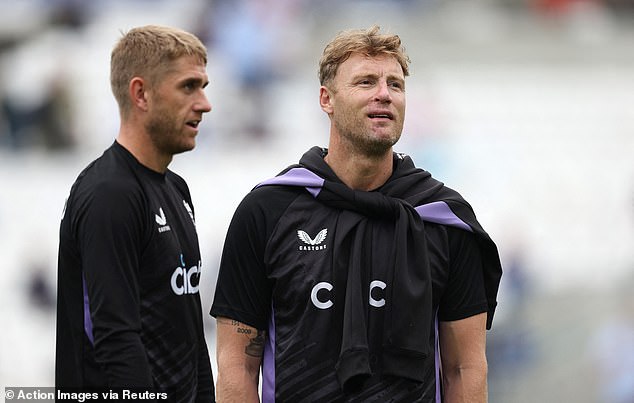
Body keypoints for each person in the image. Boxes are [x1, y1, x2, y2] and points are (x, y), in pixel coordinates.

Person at [210, 25, 502, 402]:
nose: (384, 94)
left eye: (395, 85)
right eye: (366, 82)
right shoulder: (267, 211)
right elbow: (237, 365)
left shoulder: (443, 219)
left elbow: (465, 369)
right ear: (326, 99)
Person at [56, 25, 215, 401]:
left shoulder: (175, 189)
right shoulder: (109, 194)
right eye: (189, 87)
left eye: (204, 86)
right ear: (140, 93)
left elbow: (190, 331)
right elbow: (114, 338)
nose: (205, 103)